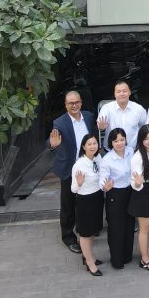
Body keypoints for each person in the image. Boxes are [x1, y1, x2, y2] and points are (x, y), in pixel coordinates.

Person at [48, 89, 96, 253]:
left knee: (88, 200)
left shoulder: (89, 116)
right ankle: (68, 237)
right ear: (66, 105)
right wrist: (52, 145)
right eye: (71, 103)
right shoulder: (60, 122)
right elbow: (51, 140)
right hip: (69, 169)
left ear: (81, 103)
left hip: (88, 166)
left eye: (77, 102)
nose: (74, 105)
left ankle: (88, 231)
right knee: (68, 205)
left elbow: (94, 137)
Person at [99, 128, 136, 269]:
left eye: (122, 140)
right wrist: (105, 186)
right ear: (111, 143)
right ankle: (117, 259)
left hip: (130, 192)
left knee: (129, 225)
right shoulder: (107, 159)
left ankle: (127, 256)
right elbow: (102, 180)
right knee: (116, 228)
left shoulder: (130, 151)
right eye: (116, 141)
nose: (120, 143)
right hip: (114, 194)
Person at [70, 133, 104, 276]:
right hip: (85, 200)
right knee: (85, 232)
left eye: (94, 143)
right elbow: (73, 189)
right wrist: (79, 183)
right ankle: (89, 263)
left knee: (92, 230)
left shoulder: (98, 158)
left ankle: (88, 256)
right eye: (89, 144)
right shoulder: (79, 164)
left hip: (97, 197)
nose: (92, 146)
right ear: (83, 146)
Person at [129, 125, 149, 271]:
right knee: (144, 229)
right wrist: (137, 183)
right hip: (143, 194)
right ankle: (144, 259)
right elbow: (134, 182)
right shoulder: (137, 157)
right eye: (146, 138)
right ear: (140, 140)